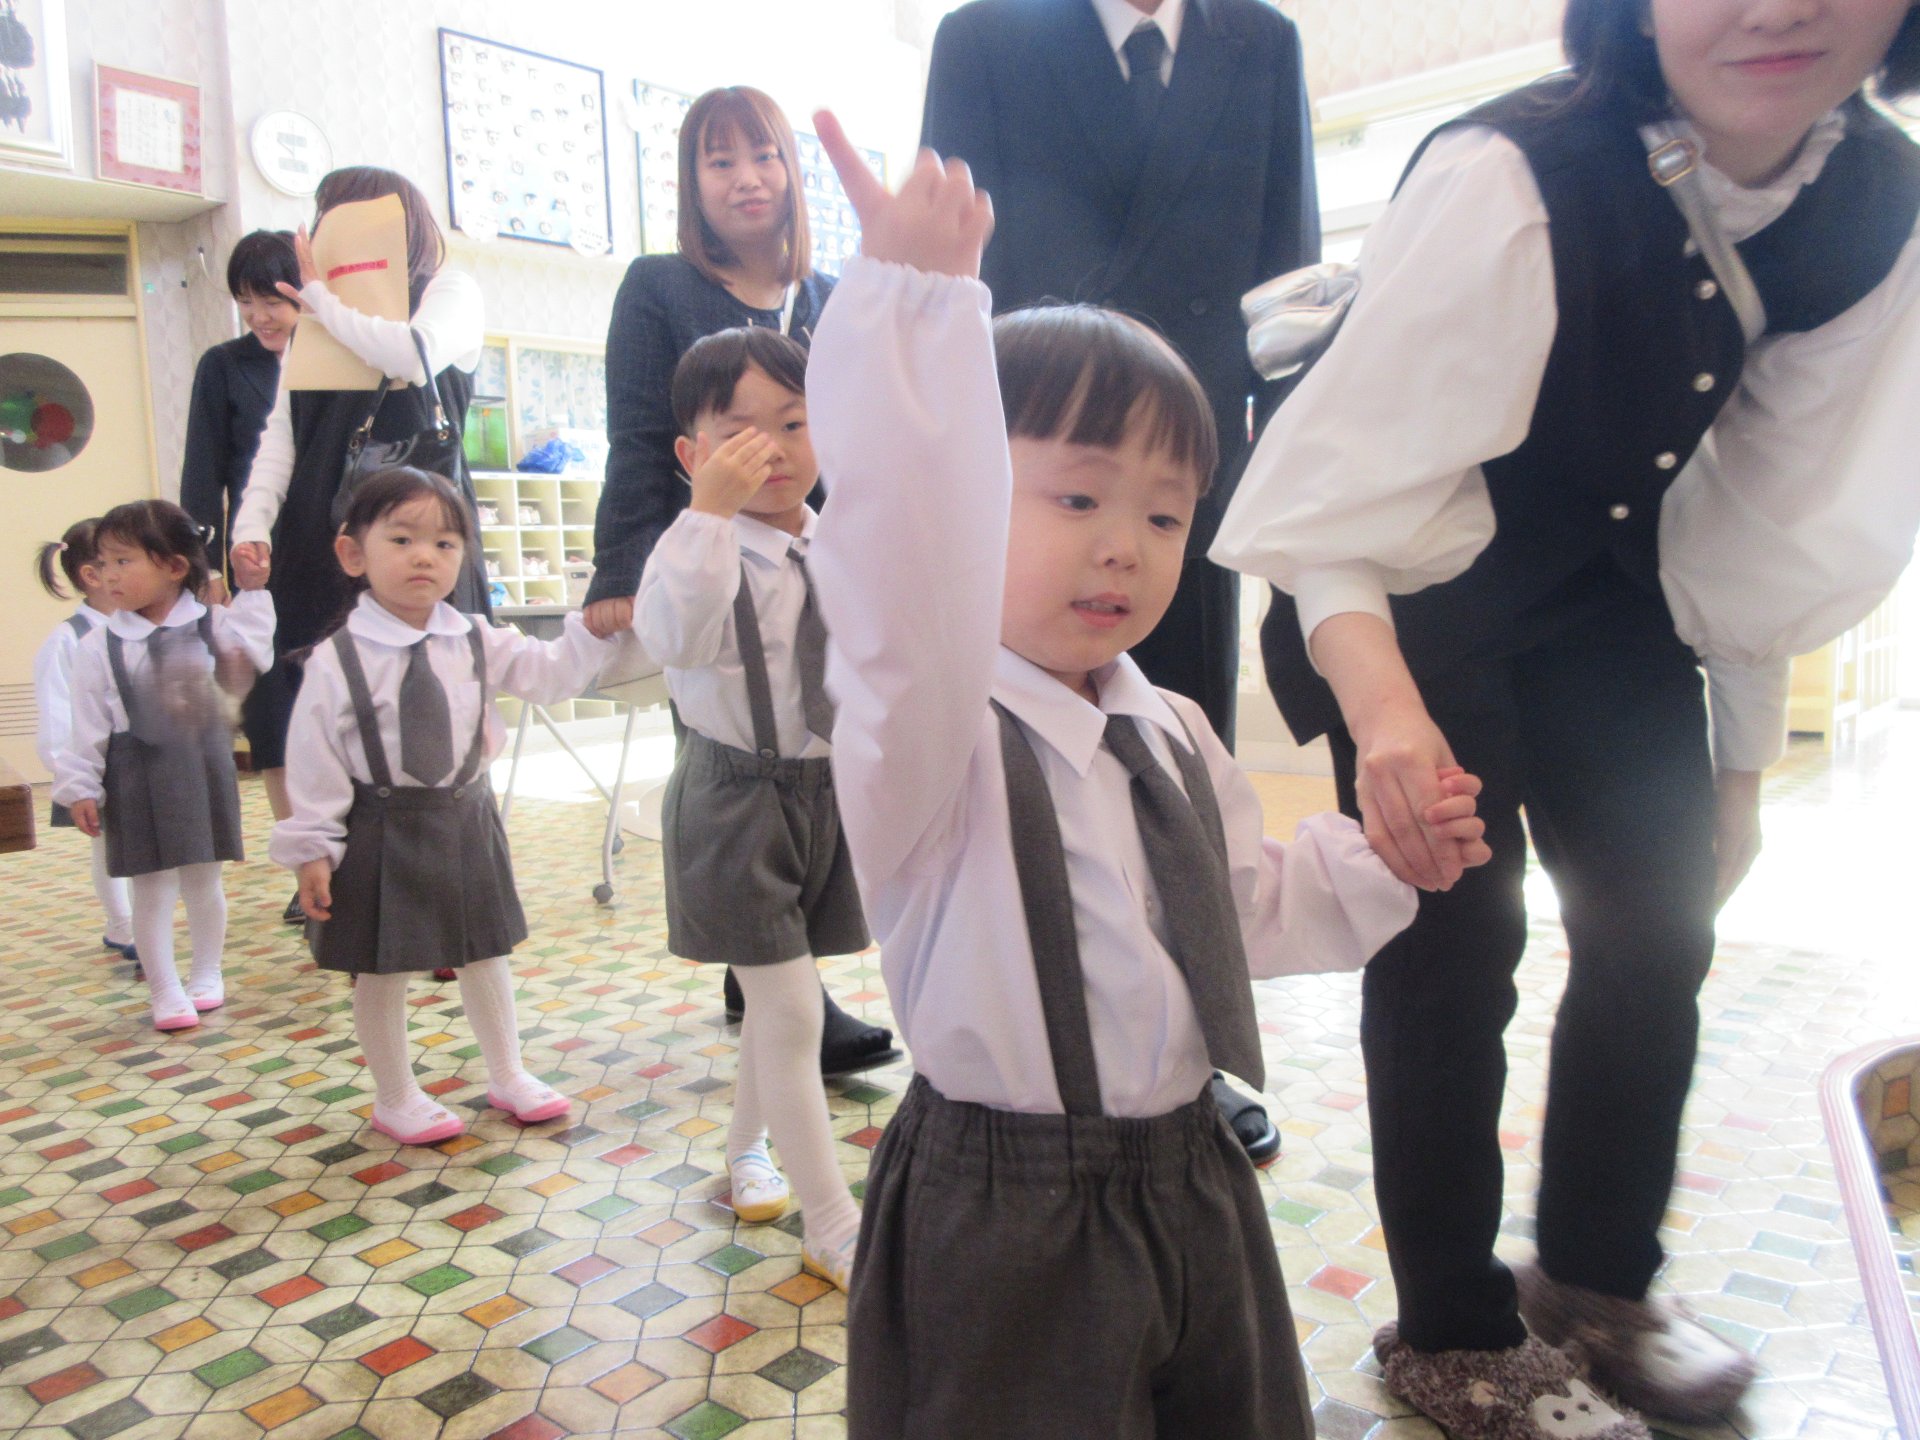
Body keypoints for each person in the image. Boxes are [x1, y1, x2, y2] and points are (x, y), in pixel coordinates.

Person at [1210, 1, 1920, 1434]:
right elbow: (1330, 503)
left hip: (1613, 584)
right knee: (1455, 935)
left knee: (1664, 919)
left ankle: (1596, 1288)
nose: (1776, 11)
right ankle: (1452, 1329)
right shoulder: (1507, 176)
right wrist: (1388, 719)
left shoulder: (1877, 205)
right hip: (1406, 582)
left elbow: (1758, 516)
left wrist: (1734, 773)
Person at [802, 114, 1487, 1439]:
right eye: (1076, 499)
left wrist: (1380, 860)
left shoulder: (1168, 724)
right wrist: (909, 307)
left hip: (1191, 1173)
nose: (1125, 548)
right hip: (1007, 1207)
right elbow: (895, 556)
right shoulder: (925, 733)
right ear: (973, 503)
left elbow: (1244, 911)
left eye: (1165, 515)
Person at [920, 0, 1320, 1161]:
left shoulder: (1262, 39)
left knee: (1173, 766)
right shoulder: (986, 36)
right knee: (1002, 778)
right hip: (1035, 449)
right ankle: (1027, 1049)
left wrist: (1264, 492)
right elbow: (953, 282)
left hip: (1183, 468)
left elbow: (1287, 286)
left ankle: (1194, 1065)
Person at [584, 84, 894, 1078]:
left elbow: (864, 440)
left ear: (791, 174)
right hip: (707, 556)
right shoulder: (659, 287)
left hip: (813, 551)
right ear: (693, 184)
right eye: (719, 161)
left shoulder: (835, 293)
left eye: (761, 155)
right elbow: (639, 433)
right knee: (739, 748)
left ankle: (782, 970)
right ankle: (771, 975)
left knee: (813, 747)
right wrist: (619, 569)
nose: (745, 178)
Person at [272, 468, 617, 1145]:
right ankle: (396, 1095)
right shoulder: (337, 659)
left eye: (446, 544)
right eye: (401, 539)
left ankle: (508, 1073)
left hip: (466, 816)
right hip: (378, 824)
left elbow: (551, 676)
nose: (425, 556)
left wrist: (593, 627)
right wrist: (312, 847)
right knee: (382, 965)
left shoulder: (477, 638)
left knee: (485, 951)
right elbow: (312, 758)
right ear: (353, 554)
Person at [634, 327, 867, 1290]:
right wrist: (705, 519)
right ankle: (833, 1221)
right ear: (695, 456)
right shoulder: (698, 552)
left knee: (781, 1004)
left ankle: (742, 1160)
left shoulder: (840, 543)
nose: (772, 447)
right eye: (740, 433)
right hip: (734, 802)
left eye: (796, 421)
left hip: (824, 796)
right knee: (788, 1002)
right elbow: (671, 636)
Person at [231, 167, 488, 929]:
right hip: (325, 549)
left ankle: (450, 886)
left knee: (440, 714)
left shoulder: (451, 289)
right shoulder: (311, 323)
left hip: (423, 546)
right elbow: (278, 441)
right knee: (333, 716)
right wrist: (250, 527)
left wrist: (320, 302)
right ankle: (340, 882)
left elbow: (410, 352)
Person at [52, 501, 275, 1032]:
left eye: (123, 561)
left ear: (174, 567)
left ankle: (206, 974)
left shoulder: (212, 625)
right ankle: (164, 988)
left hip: (202, 763)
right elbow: (85, 724)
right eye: (103, 564)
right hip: (135, 771)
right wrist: (79, 785)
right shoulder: (98, 646)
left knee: (204, 878)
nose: (108, 575)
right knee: (150, 887)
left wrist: (255, 589)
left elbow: (258, 654)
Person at [32, 519, 134, 964]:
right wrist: (73, 779)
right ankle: (123, 925)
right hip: (93, 765)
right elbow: (57, 717)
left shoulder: (138, 629)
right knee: (109, 846)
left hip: (138, 762)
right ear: (93, 576)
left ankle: (140, 920)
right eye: (120, 561)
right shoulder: (67, 640)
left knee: (144, 849)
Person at [180, 230, 300, 598]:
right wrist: (207, 568)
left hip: (324, 539)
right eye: (245, 301)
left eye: (271, 302)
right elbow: (203, 472)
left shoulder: (333, 364)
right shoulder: (224, 363)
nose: (258, 316)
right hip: (256, 549)